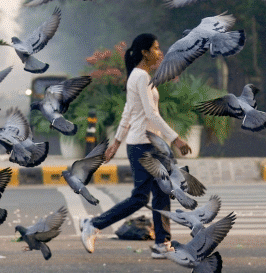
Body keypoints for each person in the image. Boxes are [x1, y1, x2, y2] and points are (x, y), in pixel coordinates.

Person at [80, 33, 191, 258]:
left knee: (162, 191)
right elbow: (150, 113)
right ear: (145, 52)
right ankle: (94, 224)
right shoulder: (140, 77)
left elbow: (128, 113)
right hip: (143, 145)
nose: (160, 53)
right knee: (141, 197)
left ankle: (162, 244)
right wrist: (175, 138)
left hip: (145, 144)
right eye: (156, 48)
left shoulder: (138, 76)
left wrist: (116, 143)